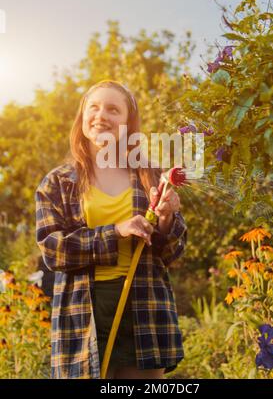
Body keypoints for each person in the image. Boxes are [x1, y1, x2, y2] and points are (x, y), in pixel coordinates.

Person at [35, 79, 187, 379]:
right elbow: (53, 250)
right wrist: (116, 231)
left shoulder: (151, 176)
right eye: (94, 107)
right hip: (82, 310)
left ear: (128, 124)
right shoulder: (58, 182)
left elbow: (171, 253)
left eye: (113, 109)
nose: (101, 115)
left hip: (144, 304)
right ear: (82, 118)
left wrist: (168, 220)